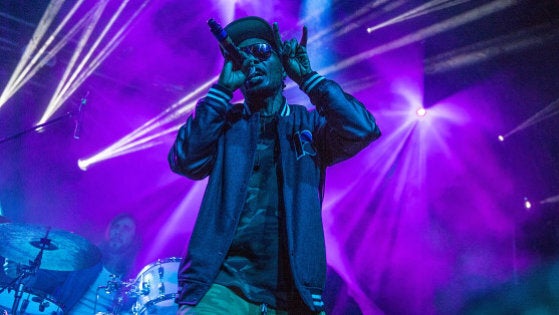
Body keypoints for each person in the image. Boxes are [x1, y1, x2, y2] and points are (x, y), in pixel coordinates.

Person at [168, 16, 380, 314]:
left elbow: (362, 128)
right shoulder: (226, 123)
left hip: (294, 296)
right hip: (221, 288)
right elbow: (184, 160)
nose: (252, 62)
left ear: (282, 64)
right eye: (243, 57)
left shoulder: (309, 124)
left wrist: (309, 79)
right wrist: (220, 93)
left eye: (262, 52)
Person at [2, 213, 142, 314]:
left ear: (134, 238)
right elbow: (47, 279)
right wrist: (25, 276)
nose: (118, 231)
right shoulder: (85, 259)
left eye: (126, 228)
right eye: (115, 226)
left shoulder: (134, 278)